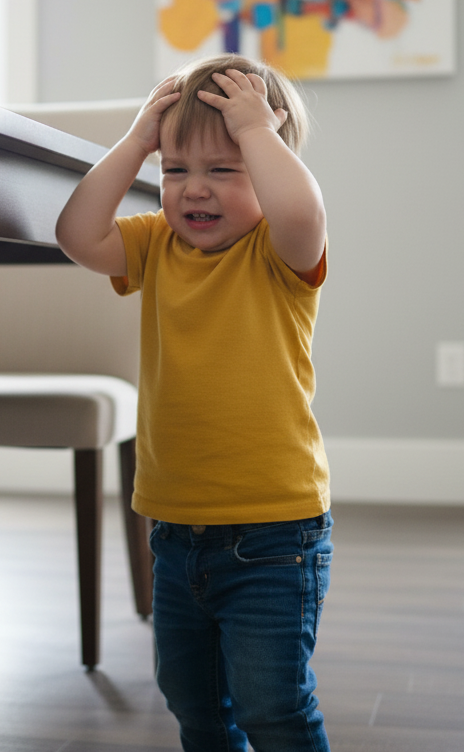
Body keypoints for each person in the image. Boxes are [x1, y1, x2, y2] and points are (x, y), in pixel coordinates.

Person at [55, 53, 332, 752]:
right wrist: (136, 141)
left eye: (224, 168)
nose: (192, 191)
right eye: (176, 171)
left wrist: (257, 131)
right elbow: (77, 235)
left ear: (268, 167)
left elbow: (302, 208)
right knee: (196, 708)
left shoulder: (281, 252)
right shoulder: (156, 245)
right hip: (175, 535)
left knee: (275, 708)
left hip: (274, 537)